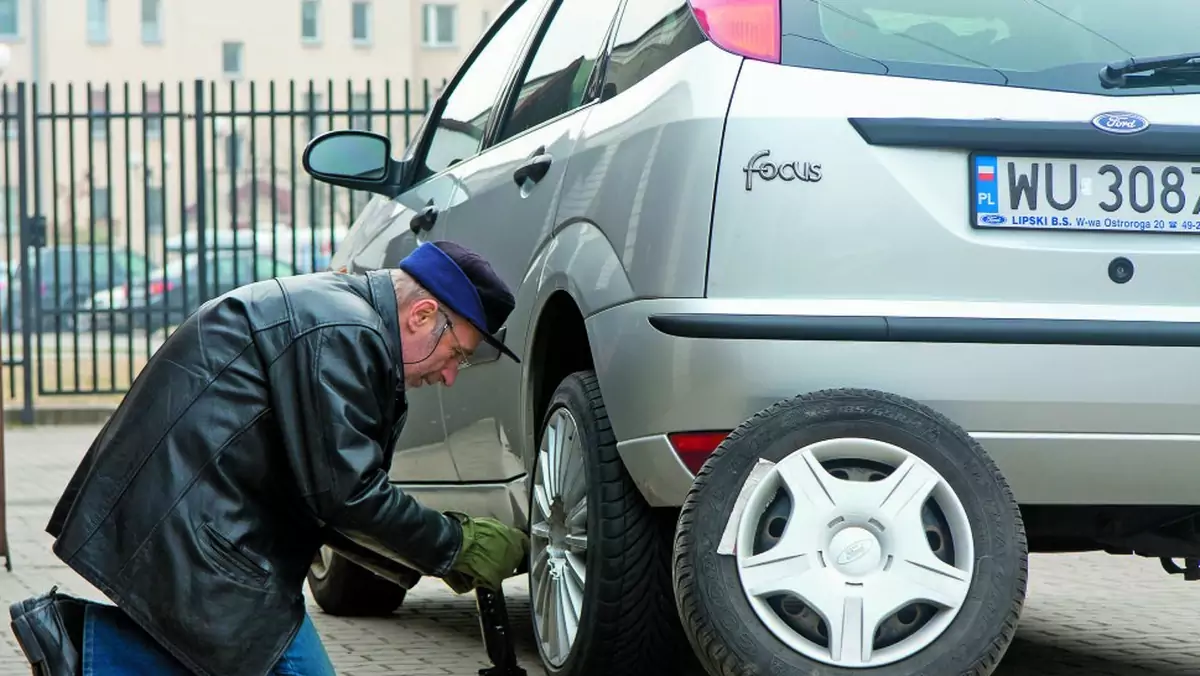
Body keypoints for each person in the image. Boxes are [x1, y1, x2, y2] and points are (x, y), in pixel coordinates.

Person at [8, 240, 531, 676]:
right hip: (201, 527)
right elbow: (345, 494)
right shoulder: (347, 333)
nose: (450, 375)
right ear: (421, 315)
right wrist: (454, 545)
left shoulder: (342, 316)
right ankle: (85, 652)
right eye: (457, 353)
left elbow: (327, 494)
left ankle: (86, 650)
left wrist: (436, 554)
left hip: (197, 515)